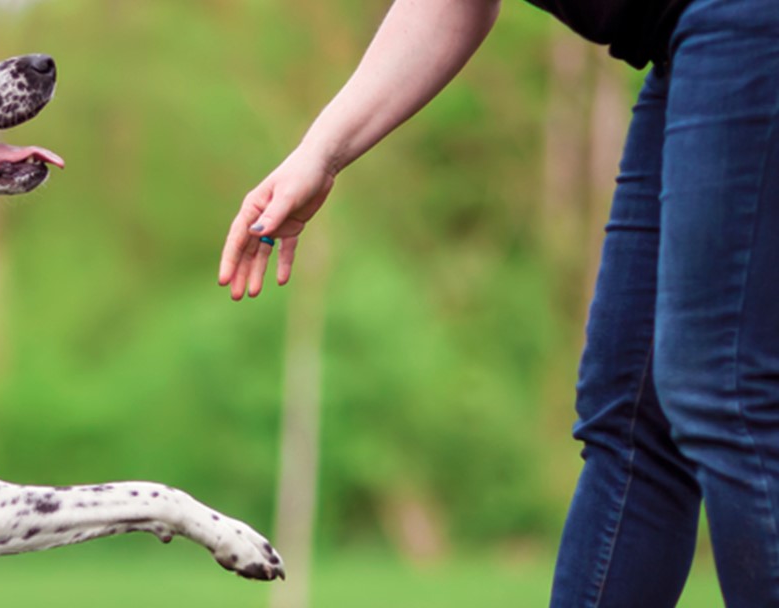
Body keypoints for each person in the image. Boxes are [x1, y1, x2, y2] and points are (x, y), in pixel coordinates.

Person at [217, 0, 779, 606]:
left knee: (719, 386)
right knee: (633, 421)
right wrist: (318, 155)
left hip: (746, 24)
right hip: (683, 40)